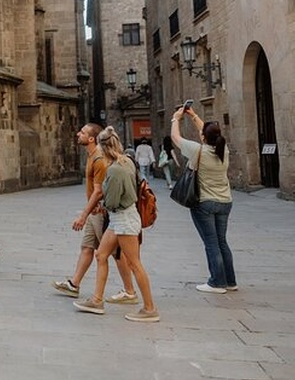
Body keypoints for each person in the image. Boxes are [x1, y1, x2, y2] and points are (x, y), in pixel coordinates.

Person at [73, 127, 159, 322]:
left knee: (134, 264)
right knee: (101, 255)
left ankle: (149, 308)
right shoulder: (127, 161)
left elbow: (111, 201)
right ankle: (96, 300)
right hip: (120, 219)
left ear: (104, 148)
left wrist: (99, 205)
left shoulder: (115, 169)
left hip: (124, 219)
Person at [53, 123, 137, 305]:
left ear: (91, 139)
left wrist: (83, 215)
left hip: (100, 211)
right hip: (94, 210)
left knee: (115, 253)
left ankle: (129, 291)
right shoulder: (92, 155)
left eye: (82, 132)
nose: (78, 134)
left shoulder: (99, 159)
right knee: (87, 246)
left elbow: (99, 191)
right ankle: (74, 284)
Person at [171, 108, 236, 294]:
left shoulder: (198, 151)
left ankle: (217, 282)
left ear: (204, 138)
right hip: (225, 202)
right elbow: (209, 133)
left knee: (211, 242)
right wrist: (193, 116)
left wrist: (176, 119)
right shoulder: (224, 150)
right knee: (222, 241)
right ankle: (230, 281)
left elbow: (176, 138)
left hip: (205, 203)